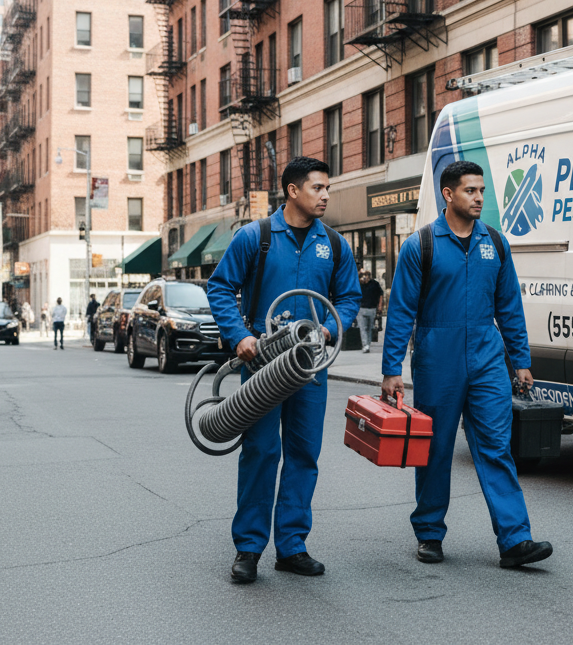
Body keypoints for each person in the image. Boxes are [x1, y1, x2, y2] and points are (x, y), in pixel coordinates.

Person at [382, 160, 553, 569]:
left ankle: (515, 540)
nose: (479, 198)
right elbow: (402, 311)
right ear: (448, 194)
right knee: (436, 449)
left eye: (481, 191)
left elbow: (509, 305)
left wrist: (520, 360)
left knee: (496, 447)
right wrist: (392, 370)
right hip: (436, 354)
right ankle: (429, 533)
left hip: (487, 355)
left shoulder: (494, 241)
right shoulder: (419, 245)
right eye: (470, 191)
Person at [207, 157, 361, 585]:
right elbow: (221, 286)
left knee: (303, 453)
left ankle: (292, 546)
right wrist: (239, 335)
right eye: (317, 188)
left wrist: (330, 330)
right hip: (262, 363)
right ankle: (249, 548)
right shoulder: (255, 237)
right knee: (260, 450)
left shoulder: (333, 242)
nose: (326, 195)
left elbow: (348, 297)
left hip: (311, 364)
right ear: (292, 191)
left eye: (327, 187)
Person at [357, 268, 383, 353]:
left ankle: (368, 343)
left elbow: (380, 294)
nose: (364, 277)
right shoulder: (358, 284)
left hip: (372, 308)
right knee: (363, 328)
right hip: (361, 308)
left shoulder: (375, 284)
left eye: (366, 275)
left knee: (370, 328)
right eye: (362, 275)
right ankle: (365, 344)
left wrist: (380, 306)